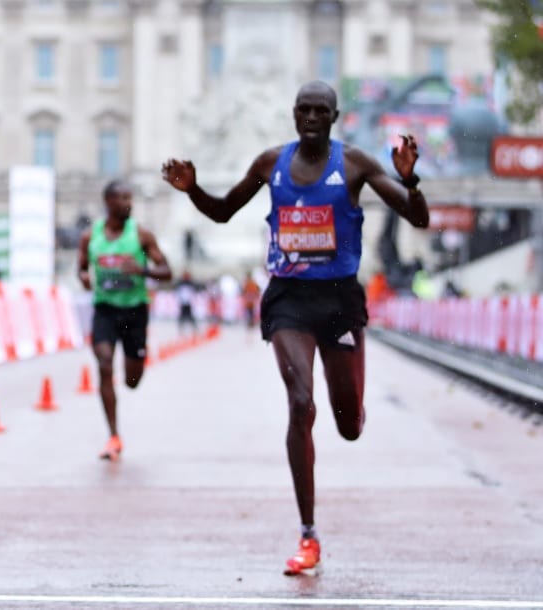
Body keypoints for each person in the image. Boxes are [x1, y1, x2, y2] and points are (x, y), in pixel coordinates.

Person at [162, 80, 428, 576]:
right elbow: (223, 212)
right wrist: (193, 189)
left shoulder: (355, 164)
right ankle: (308, 532)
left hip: (340, 301)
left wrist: (410, 180)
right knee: (300, 402)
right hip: (289, 300)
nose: (310, 117)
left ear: (334, 117)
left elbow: (418, 219)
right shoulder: (270, 163)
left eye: (320, 111)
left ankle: (352, 411)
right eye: (303, 109)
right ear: (293, 114)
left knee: (348, 426)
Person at [77, 179, 171, 461]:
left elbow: (167, 271)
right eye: (123, 198)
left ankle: (136, 360)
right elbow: (81, 267)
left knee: (132, 380)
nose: (129, 203)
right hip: (105, 309)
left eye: (130, 198)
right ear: (108, 202)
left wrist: (143, 270)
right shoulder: (90, 236)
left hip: (135, 311)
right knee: (104, 363)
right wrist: (84, 277)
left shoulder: (141, 235)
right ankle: (113, 436)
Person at [174, 270, 199, 338]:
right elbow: (177, 293)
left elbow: (193, 292)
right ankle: (181, 330)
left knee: (190, 317)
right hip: (182, 302)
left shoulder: (190, 283)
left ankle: (194, 329)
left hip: (188, 302)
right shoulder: (180, 284)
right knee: (182, 317)